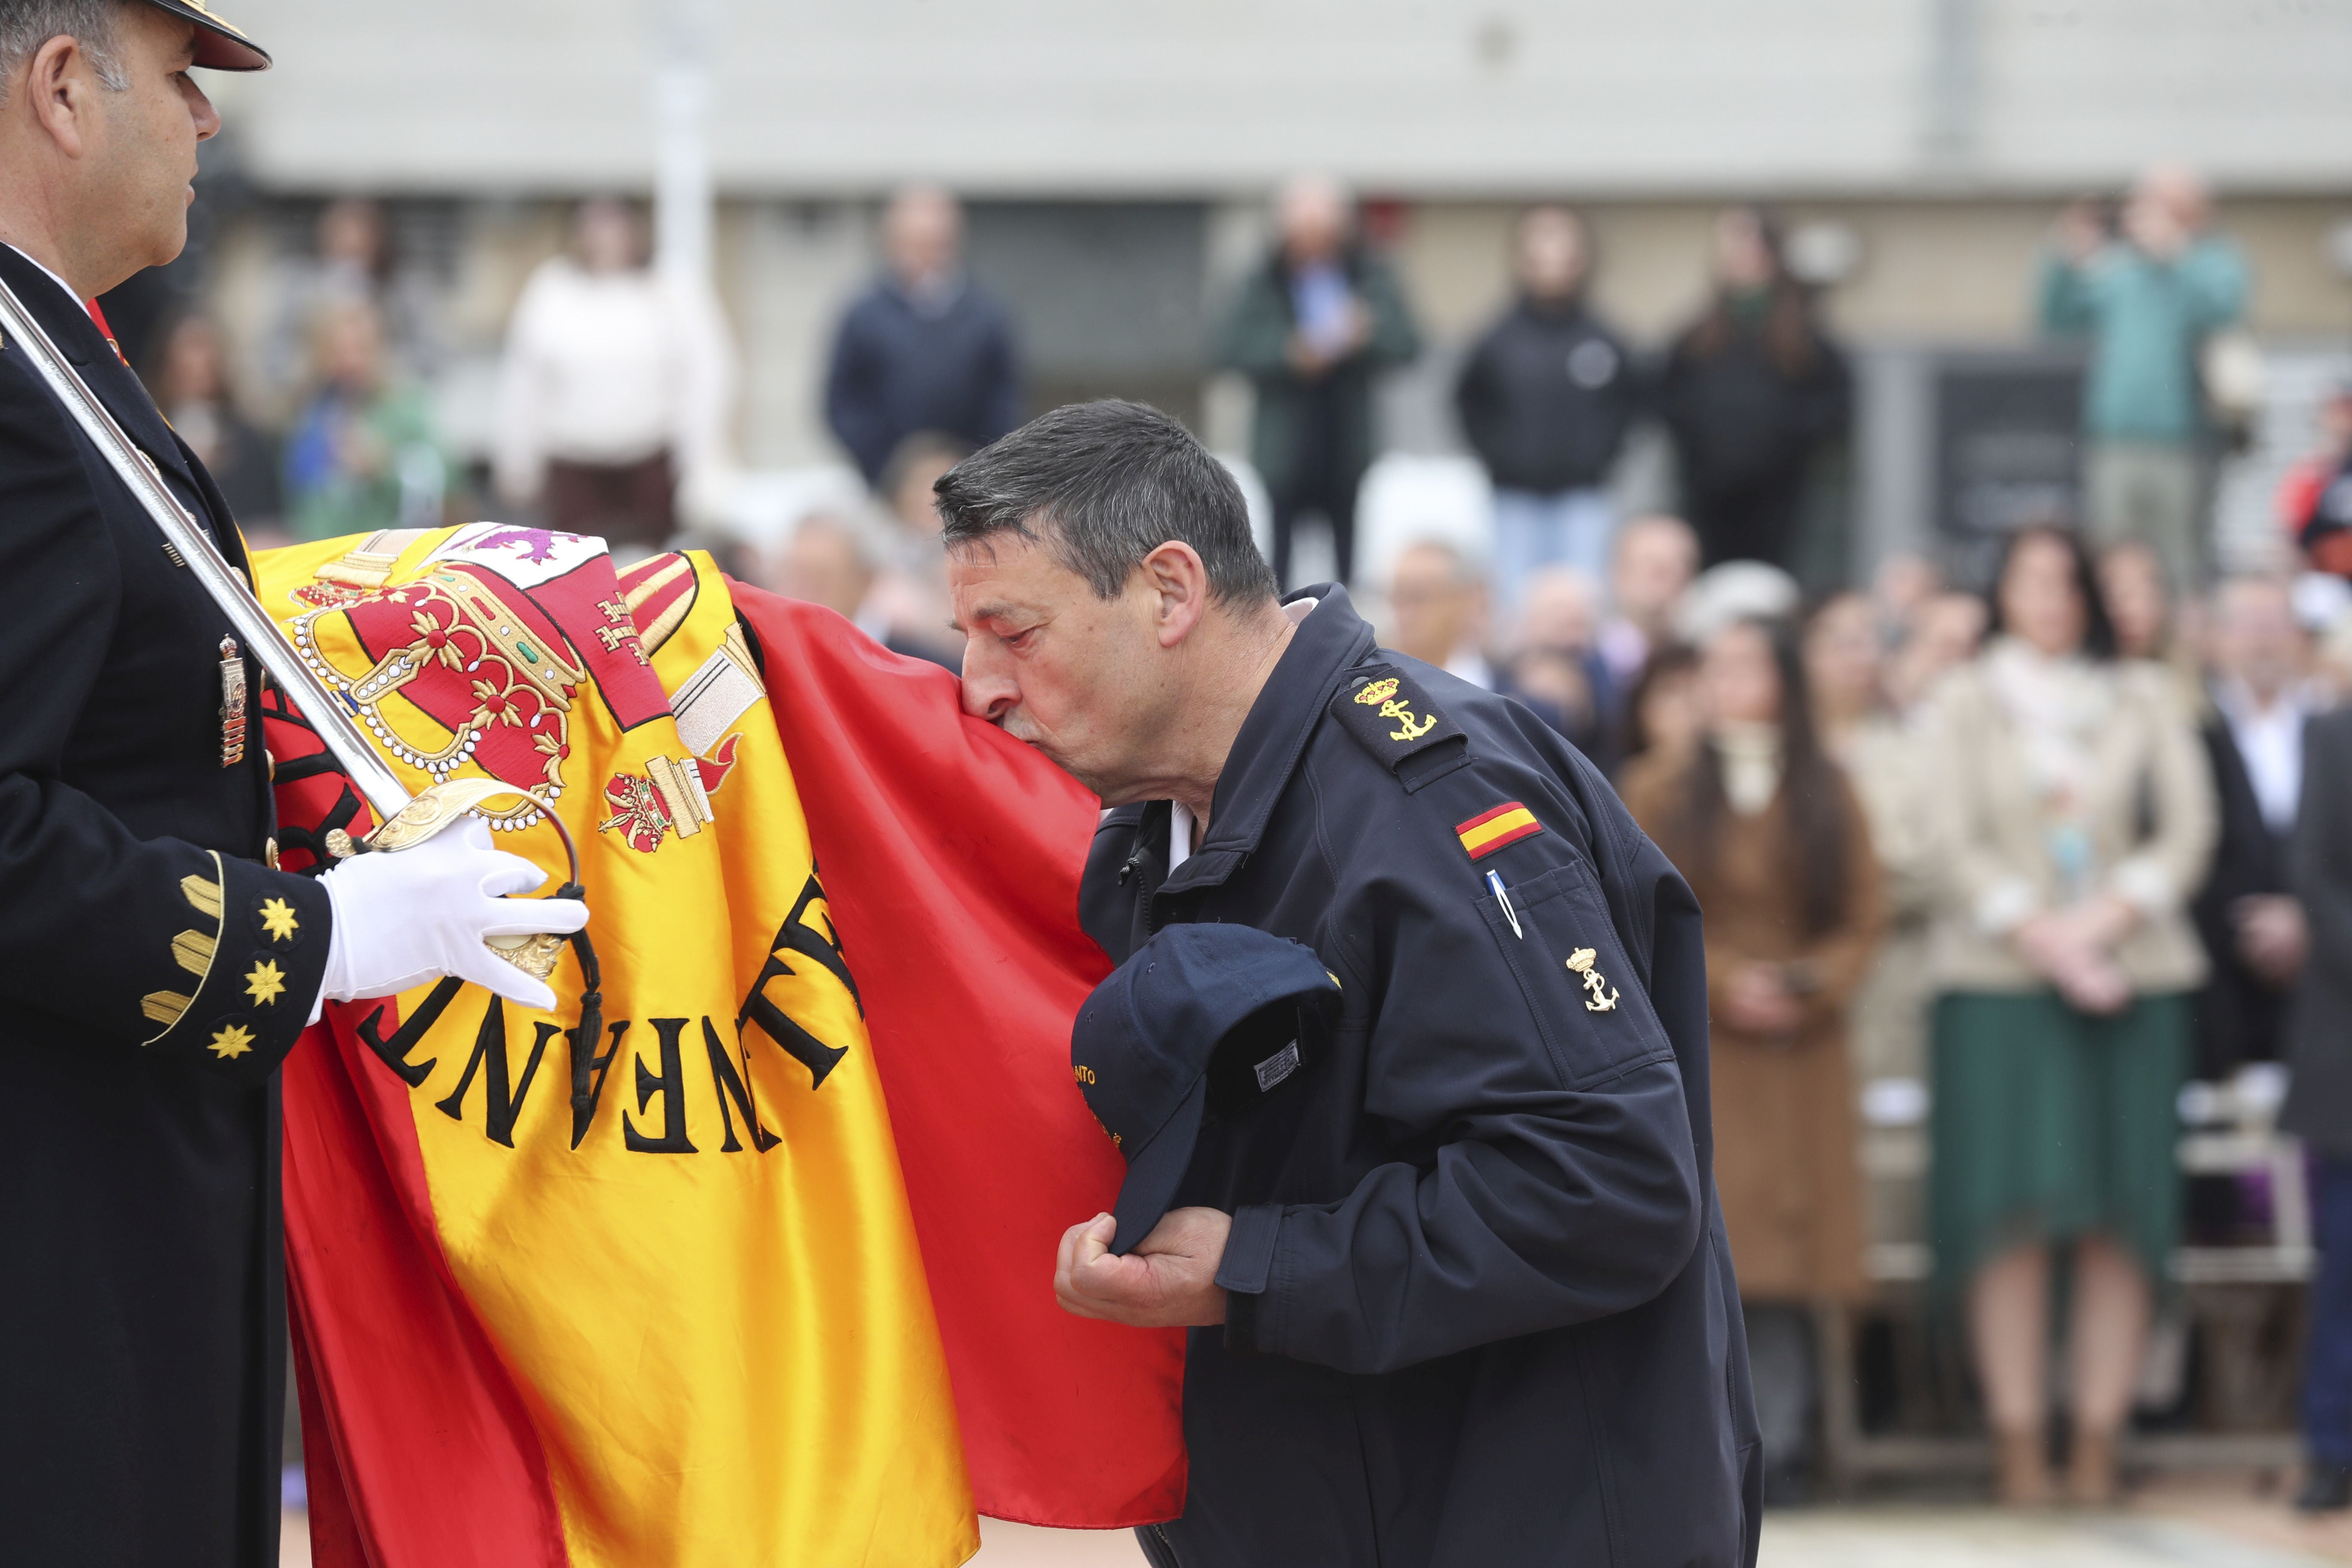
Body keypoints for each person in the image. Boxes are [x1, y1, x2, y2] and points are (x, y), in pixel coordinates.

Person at [938, 399, 1757, 1566]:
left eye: (1012, 632)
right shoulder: (1148, 826)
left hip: (1516, 1518)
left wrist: (1260, 1270)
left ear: (1170, 592)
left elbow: (1610, 1183)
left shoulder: (1428, 803)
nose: (979, 686)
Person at [0, 3, 585, 1561]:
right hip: (64, 1245)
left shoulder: (49, 360)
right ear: (64, 88)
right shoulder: (16, 396)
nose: (207, 124)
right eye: (185, 81)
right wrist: (316, 936)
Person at [1918, 526, 2216, 1506]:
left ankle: (2095, 1435)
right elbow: (1944, 835)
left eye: (2062, 582)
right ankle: (2015, 1438)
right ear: (1997, 592)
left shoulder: (2139, 694)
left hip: (2130, 979)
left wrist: (2104, 919)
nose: (2046, 599)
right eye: (2025, 581)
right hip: (1997, 983)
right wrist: (2042, 936)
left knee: (2117, 1219)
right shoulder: (1965, 698)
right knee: (2010, 1214)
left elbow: (2186, 828)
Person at [1622, 616, 1884, 1500]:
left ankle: (1792, 1440)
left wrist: (1808, 984)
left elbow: (1862, 912)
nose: (1736, 684)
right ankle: (1714, 1448)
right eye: (1721, 667)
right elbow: (1632, 903)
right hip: (1705, 1047)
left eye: (1752, 667)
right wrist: (1727, 981)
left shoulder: (1827, 787)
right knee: (1715, 1245)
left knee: (1795, 1256)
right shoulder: (1659, 785)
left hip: (1803, 1054)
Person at [2039, 165, 2250, 591]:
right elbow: (2057, 318)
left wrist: (2176, 254)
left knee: (2179, 560)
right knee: (2110, 557)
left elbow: (2224, 309)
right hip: (2114, 441)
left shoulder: (2216, 262)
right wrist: (2065, 255)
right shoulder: (2121, 271)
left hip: (2185, 443)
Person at [1214, 174, 1420, 590]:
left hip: (1346, 438)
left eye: (1324, 230)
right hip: (1285, 444)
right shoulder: (1262, 280)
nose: (1314, 243)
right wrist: (1289, 354)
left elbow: (1408, 343)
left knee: (1348, 556)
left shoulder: (1369, 275)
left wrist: (1366, 336)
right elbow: (1225, 348)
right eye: (1304, 230)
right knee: (1278, 556)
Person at [494, 196, 733, 548]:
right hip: (574, 466)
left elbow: (708, 373)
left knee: (653, 568)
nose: (603, 238)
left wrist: (701, 459)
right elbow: (524, 380)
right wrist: (518, 462)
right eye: (592, 226)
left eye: (613, 225)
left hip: (650, 461)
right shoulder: (553, 289)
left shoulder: (670, 287)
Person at [1454, 206, 1640, 619]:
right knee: (1516, 610)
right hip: (1514, 499)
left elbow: (1630, 405)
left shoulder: (1603, 337)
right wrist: (1499, 455)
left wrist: (1602, 454)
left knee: (1583, 606)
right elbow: (1468, 401)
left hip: (1583, 498)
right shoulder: (1498, 338)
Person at [1657, 207, 1851, 572]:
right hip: (1708, 493)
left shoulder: (1803, 339)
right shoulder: (1697, 337)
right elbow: (1670, 399)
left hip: (1782, 496)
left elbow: (1833, 406)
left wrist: (1785, 434)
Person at [2191, 576, 2318, 1079]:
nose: (2263, 640)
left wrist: (2305, 920)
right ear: (2217, 638)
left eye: (2275, 624)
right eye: (2247, 625)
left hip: (2323, 978)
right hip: (2220, 982)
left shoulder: (2333, 730)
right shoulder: (2190, 732)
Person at [823, 184, 1020, 490]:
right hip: (883, 484)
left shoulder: (986, 315)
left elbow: (1004, 397)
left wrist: (974, 463)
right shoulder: (864, 315)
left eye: (935, 243)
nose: (925, 255)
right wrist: (887, 466)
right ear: (892, 244)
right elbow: (842, 401)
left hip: (968, 479)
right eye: (914, 243)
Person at [2282, 701, 2352, 1510]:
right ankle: (2332, 1441)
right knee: (2346, 1263)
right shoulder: (2331, 732)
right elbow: (2314, 871)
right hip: (2346, 1036)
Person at [282, 297, 445, 541]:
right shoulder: (315, 413)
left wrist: (384, 469)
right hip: (325, 553)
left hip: (394, 551)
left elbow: (443, 486)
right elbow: (300, 496)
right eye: (338, 351)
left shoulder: (405, 409)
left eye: (360, 349)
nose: (350, 361)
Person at [145, 310, 280, 538]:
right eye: (190, 349)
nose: (199, 362)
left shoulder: (248, 441)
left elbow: (269, 518)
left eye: (205, 349)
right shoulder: (150, 437)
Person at [1596, 511, 1702, 689]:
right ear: (1619, 574)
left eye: (1677, 571)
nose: (1666, 585)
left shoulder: (1703, 665)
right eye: (1655, 571)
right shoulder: (1594, 664)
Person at [1384, 537, 1491, 686]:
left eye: (1418, 597)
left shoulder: (1506, 696)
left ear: (1462, 601)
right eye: (1397, 597)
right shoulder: (1368, 689)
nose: (1405, 613)